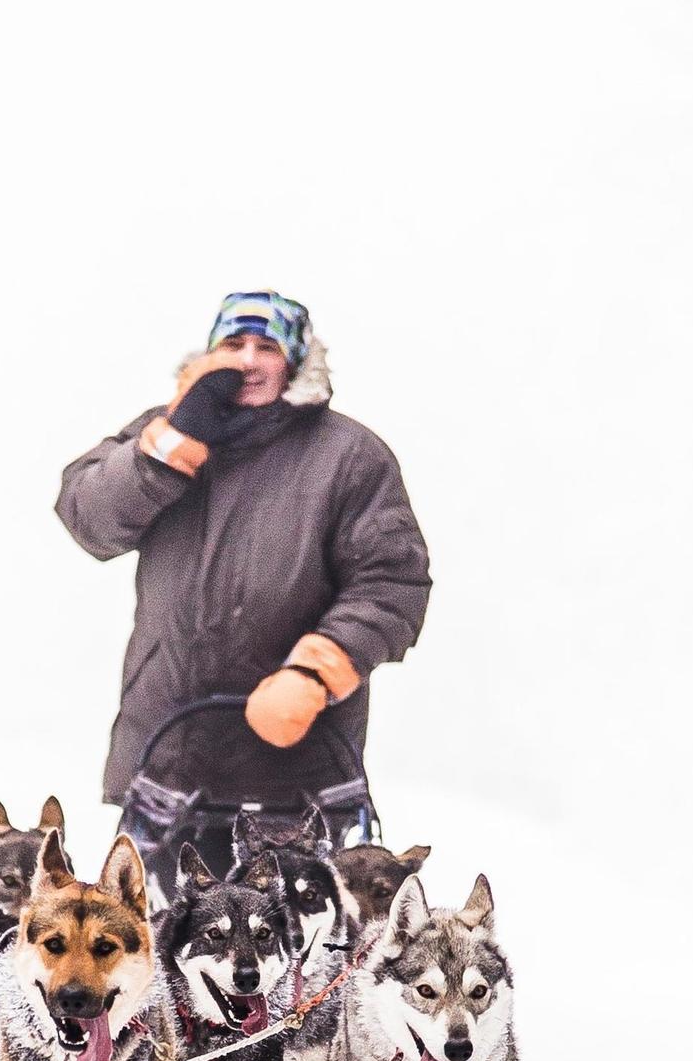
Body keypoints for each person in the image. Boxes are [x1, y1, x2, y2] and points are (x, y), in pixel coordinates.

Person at [54, 290, 431, 886]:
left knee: (315, 956)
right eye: (233, 345)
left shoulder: (351, 456)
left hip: (301, 762)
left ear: (298, 362)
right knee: (144, 952)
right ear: (207, 358)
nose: (250, 360)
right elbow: (87, 519)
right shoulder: (159, 434)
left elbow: (392, 582)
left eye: (268, 346)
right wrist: (173, 444)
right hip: (170, 750)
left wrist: (317, 671)